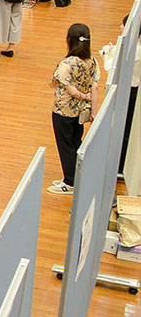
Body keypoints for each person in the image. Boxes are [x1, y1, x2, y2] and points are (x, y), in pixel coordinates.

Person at [47, 24, 99, 195]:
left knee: (66, 146)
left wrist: (83, 96)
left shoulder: (66, 64)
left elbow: (71, 90)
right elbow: (94, 87)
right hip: (81, 112)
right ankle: (76, 176)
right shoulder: (92, 61)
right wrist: (93, 111)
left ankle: (70, 182)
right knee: (76, 142)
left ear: (69, 40)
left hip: (63, 111)